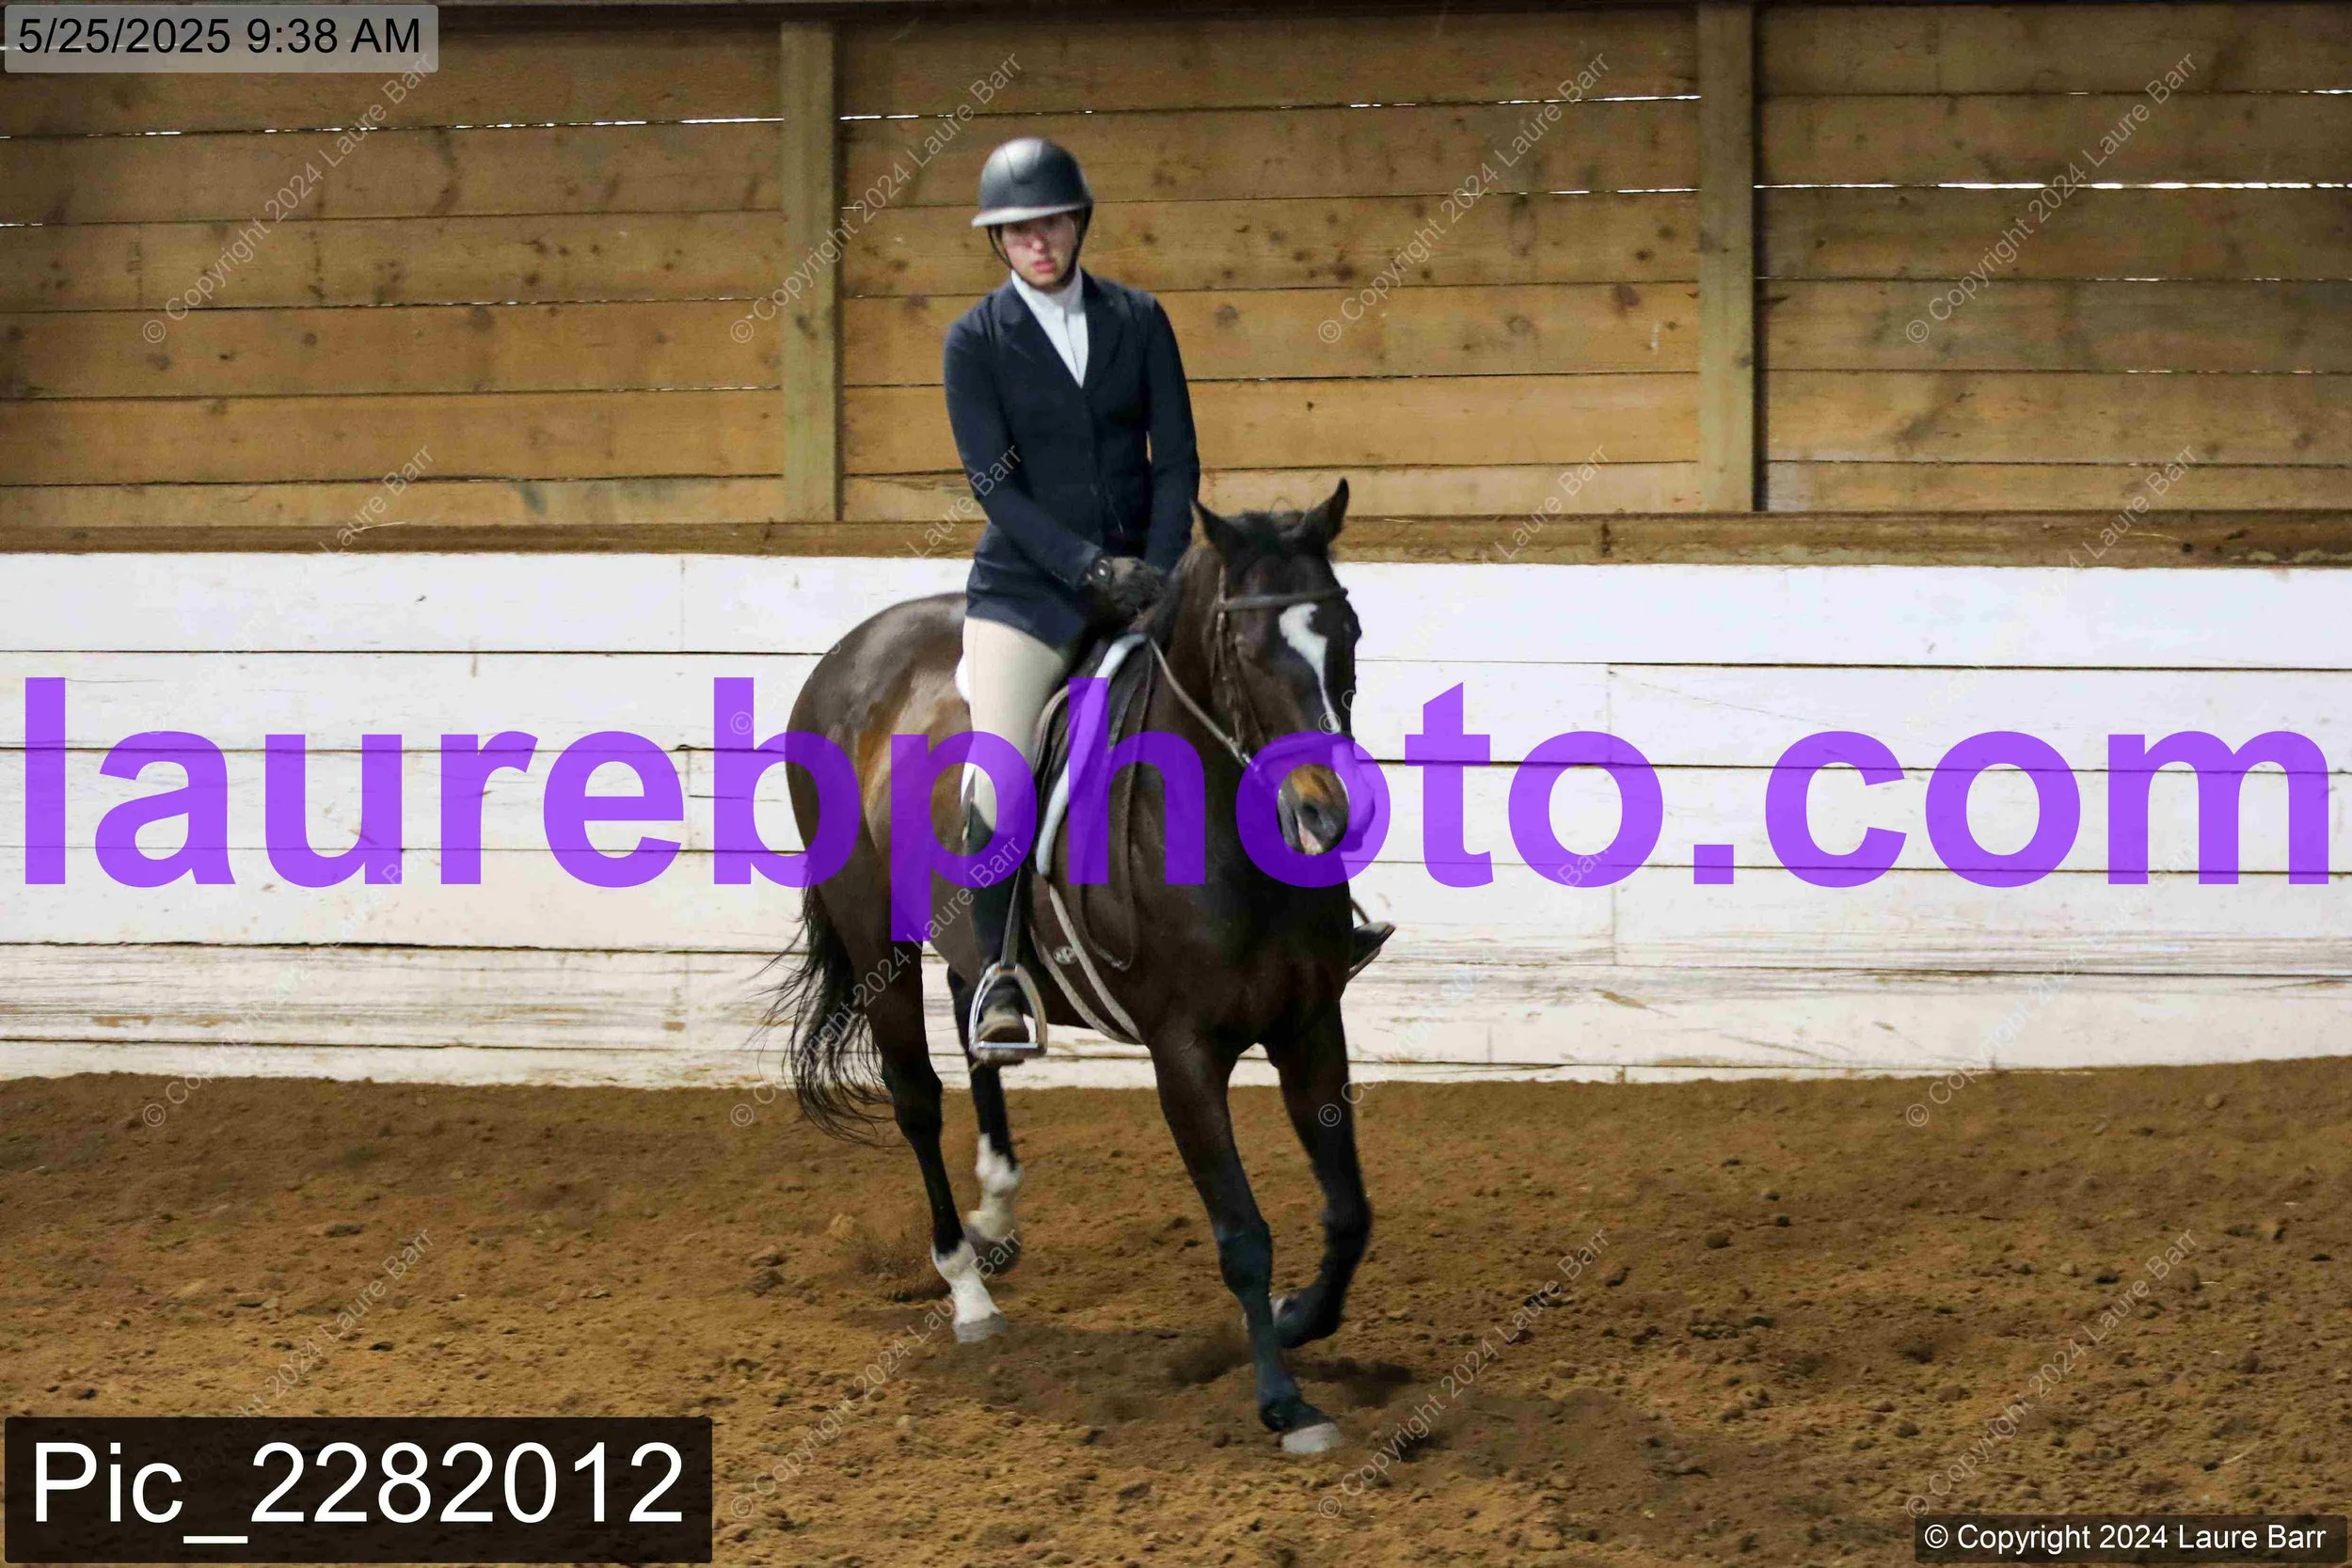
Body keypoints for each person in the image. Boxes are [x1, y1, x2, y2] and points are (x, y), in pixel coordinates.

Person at [943, 136, 1391, 1060]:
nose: (1038, 242)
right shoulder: (974, 342)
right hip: (1027, 595)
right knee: (999, 770)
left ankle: (1320, 918)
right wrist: (1086, 569)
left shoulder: (1139, 320)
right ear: (999, 241)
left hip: (1148, 580)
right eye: (1019, 231)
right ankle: (999, 973)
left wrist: (1153, 572)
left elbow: (1175, 458)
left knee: (1247, 714)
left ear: (1078, 224)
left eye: (1052, 223)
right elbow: (997, 489)